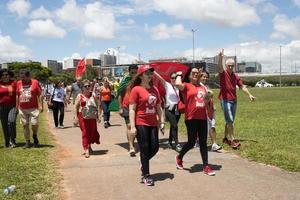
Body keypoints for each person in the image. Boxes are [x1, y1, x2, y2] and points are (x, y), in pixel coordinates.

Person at [174, 67, 215, 176]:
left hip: (202, 117)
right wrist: (178, 74)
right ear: (189, 75)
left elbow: (205, 102)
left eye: (197, 73)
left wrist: (208, 96)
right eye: (193, 73)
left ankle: (206, 166)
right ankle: (179, 157)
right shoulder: (186, 86)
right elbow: (177, 84)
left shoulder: (202, 87)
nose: (196, 74)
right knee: (191, 142)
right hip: (191, 118)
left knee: (203, 143)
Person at [129, 64, 165, 186]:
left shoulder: (154, 89)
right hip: (141, 122)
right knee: (144, 148)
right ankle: (146, 175)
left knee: (155, 147)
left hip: (153, 123)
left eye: (151, 73)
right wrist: (133, 127)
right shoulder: (136, 90)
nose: (150, 75)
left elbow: (159, 107)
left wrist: (162, 122)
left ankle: (142, 161)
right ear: (141, 76)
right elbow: (132, 109)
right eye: (147, 73)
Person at [218, 50, 256, 149]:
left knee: (229, 121)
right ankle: (233, 140)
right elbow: (219, 67)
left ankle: (225, 138)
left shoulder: (235, 76)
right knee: (230, 120)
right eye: (229, 65)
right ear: (226, 66)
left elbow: (242, 86)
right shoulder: (223, 74)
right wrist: (220, 58)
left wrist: (249, 95)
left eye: (232, 66)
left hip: (234, 101)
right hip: (225, 100)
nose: (230, 67)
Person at [154, 71, 182, 152]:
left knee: (173, 126)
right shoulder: (167, 85)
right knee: (175, 125)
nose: (174, 79)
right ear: (170, 79)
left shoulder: (179, 86)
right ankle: (177, 144)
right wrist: (154, 71)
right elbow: (160, 78)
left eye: (175, 78)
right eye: (172, 78)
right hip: (169, 109)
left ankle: (170, 142)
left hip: (178, 109)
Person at [74, 80, 101, 158]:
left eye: (89, 86)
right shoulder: (80, 96)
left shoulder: (93, 95)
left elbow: (98, 104)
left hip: (92, 117)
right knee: (85, 132)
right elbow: (75, 107)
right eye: (85, 86)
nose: (87, 87)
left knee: (92, 132)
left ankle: (89, 146)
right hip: (83, 117)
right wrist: (75, 117)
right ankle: (86, 149)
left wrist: (98, 115)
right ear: (82, 88)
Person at [16, 69, 43, 148]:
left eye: (24, 77)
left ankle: (34, 135)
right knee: (25, 125)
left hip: (33, 108)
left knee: (34, 124)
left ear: (29, 76)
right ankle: (27, 142)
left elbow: (40, 94)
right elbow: (17, 95)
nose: (22, 79)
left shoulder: (35, 82)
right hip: (22, 108)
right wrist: (17, 106)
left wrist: (41, 105)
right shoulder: (19, 83)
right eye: (21, 77)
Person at [117, 64, 138, 156]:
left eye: (135, 72)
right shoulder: (125, 81)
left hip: (138, 107)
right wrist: (120, 107)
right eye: (132, 72)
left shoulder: (140, 81)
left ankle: (132, 141)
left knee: (137, 127)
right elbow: (119, 94)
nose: (134, 73)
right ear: (129, 72)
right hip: (126, 106)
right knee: (129, 126)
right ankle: (131, 146)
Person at [199, 71, 222, 151]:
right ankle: (209, 143)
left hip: (211, 108)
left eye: (206, 77)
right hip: (205, 110)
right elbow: (203, 99)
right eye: (203, 76)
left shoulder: (205, 86)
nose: (205, 78)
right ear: (200, 77)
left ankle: (214, 144)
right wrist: (209, 95)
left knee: (212, 126)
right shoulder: (199, 87)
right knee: (208, 127)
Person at [0, 69, 18, 148]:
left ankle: (13, 140)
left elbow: (18, 93)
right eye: (3, 75)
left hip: (13, 106)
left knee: (11, 121)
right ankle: (7, 141)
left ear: (9, 75)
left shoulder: (14, 83)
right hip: (1, 107)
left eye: (6, 74)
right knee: (4, 125)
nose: (5, 76)